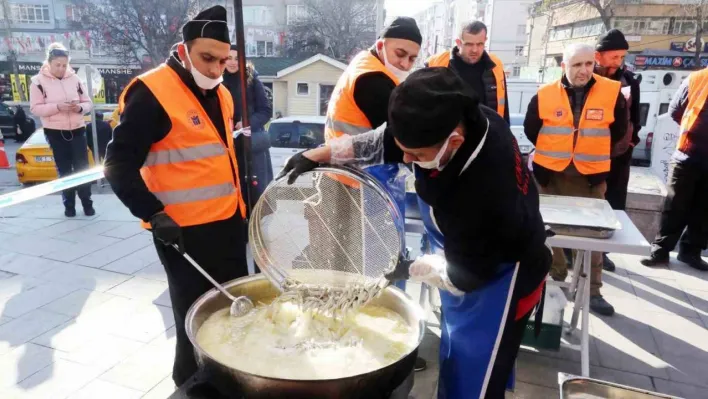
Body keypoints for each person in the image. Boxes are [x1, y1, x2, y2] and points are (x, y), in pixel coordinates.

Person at [279, 68, 551, 399]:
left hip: (502, 276)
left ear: (455, 141)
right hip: (465, 253)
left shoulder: (485, 193)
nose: (406, 159)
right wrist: (319, 154)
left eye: (417, 156)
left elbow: (467, 277)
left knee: (477, 372)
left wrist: (411, 269)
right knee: (455, 350)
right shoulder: (452, 117)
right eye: (404, 148)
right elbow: (383, 142)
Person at [103, 6, 249, 394]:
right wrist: (152, 213)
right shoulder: (151, 92)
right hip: (183, 232)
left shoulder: (221, 94)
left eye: (223, 60)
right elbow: (117, 164)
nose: (217, 68)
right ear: (183, 50)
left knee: (230, 307)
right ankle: (190, 385)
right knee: (195, 317)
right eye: (207, 58)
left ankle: (227, 379)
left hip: (229, 222)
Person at [322, 16, 423, 368]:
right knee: (384, 262)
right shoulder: (372, 79)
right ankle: (390, 345)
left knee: (367, 262)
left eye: (413, 58)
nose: (406, 64)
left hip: (354, 179)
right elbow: (401, 136)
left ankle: (361, 332)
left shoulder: (365, 66)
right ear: (381, 45)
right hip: (367, 181)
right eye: (400, 54)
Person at [524, 43, 627, 316]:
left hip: (590, 176)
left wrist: (589, 152)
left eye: (588, 64)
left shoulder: (611, 92)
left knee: (595, 236)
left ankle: (593, 291)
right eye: (576, 65)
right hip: (551, 173)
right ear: (564, 67)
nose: (583, 70)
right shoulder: (545, 94)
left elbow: (618, 132)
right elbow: (531, 128)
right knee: (547, 230)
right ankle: (554, 274)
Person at [640, 67, 708, 271]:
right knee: (675, 205)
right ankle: (660, 251)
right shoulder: (697, 79)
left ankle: (691, 252)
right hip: (687, 154)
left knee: (705, 209)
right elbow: (675, 110)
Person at [29, 42, 95, 217]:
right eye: (57, 65)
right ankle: (69, 206)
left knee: (82, 169)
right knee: (65, 171)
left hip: (78, 129)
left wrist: (79, 108)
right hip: (55, 132)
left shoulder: (74, 79)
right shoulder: (37, 82)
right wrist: (57, 107)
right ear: (49, 63)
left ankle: (87, 204)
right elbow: (35, 109)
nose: (61, 69)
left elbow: (88, 103)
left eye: (64, 65)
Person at [594, 29, 642, 272]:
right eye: (614, 57)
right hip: (590, 156)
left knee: (613, 204)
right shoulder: (586, 77)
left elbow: (636, 116)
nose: (618, 62)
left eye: (621, 57)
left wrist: (633, 140)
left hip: (619, 157)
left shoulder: (629, 81)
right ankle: (575, 252)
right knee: (590, 203)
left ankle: (603, 253)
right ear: (598, 56)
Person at [426, 21, 509, 124]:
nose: (475, 49)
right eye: (469, 44)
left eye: (480, 44)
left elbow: (504, 109)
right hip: (448, 134)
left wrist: (506, 136)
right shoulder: (436, 64)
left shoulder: (495, 66)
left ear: (485, 40)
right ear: (458, 42)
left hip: (488, 135)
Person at [223, 45, 273, 206]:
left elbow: (265, 111)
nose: (232, 62)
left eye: (237, 58)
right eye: (229, 58)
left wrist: (246, 123)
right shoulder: (216, 80)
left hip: (251, 146)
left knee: (255, 196)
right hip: (227, 146)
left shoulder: (251, 79)